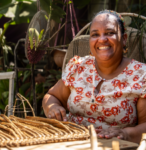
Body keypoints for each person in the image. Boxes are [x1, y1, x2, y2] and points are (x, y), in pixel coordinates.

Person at [42, 10, 146, 144]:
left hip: (114, 146)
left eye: (109, 33)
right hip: (69, 143)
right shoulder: (78, 67)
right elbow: (52, 96)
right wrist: (52, 107)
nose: (102, 39)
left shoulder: (141, 76)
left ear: (124, 39)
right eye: (95, 34)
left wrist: (125, 133)